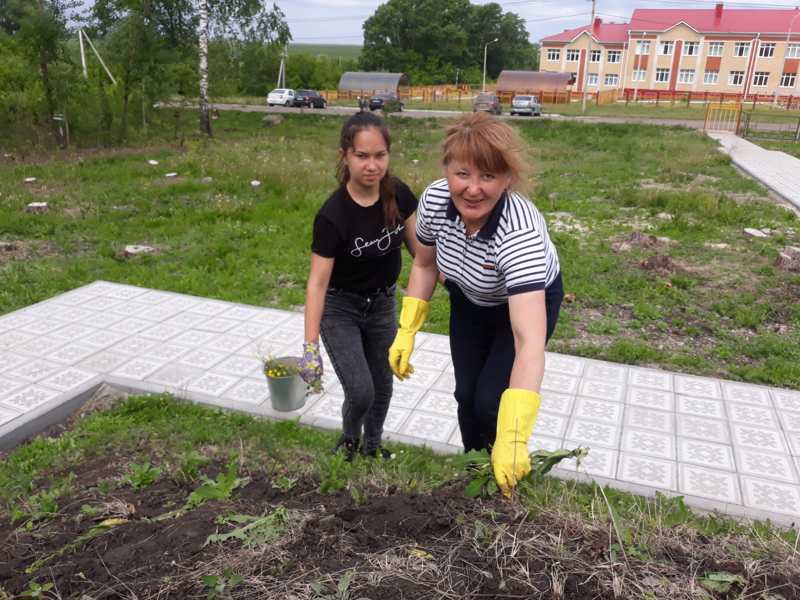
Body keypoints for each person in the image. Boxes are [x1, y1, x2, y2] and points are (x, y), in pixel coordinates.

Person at [388, 112, 564, 496]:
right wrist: (407, 331)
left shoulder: (519, 233)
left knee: (489, 402)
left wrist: (515, 436)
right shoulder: (435, 200)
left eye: (488, 176)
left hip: (522, 305)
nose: (472, 189)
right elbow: (423, 261)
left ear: (507, 179)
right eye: (463, 173)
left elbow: (528, 341)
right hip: (469, 297)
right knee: (466, 396)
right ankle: (477, 474)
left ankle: (508, 472)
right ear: (446, 169)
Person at [301, 111, 418, 461]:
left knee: (382, 386)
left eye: (380, 155)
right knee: (361, 389)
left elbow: (422, 255)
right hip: (341, 310)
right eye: (362, 156)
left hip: (382, 306)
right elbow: (317, 284)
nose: (372, 165)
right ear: (345, 156)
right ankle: (350, 438)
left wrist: (459, 280)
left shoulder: (398, 195)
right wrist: (310, 346)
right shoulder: (333, 215)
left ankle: (372, 446)